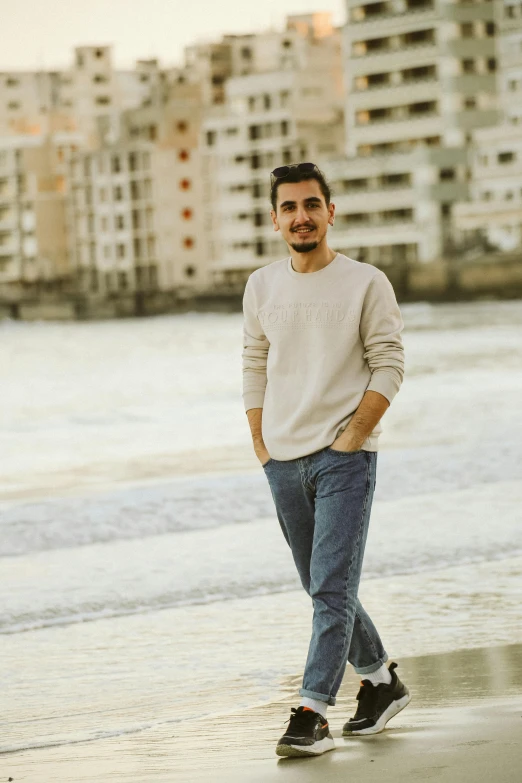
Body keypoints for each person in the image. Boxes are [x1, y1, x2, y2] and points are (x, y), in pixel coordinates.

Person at [241, 162, 410, 758]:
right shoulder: (261, 285)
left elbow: (389, 362)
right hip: (282, 458)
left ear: (330, 212)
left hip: (344, 457)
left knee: (330, 587)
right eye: (288, 207)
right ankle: (382, 682)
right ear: (275, 218)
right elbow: (254, 365)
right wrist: (262, 444)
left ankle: (313, 708)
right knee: (323, 585)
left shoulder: (366, 282)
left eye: (311, 205)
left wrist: (353, 436)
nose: (301, 216)